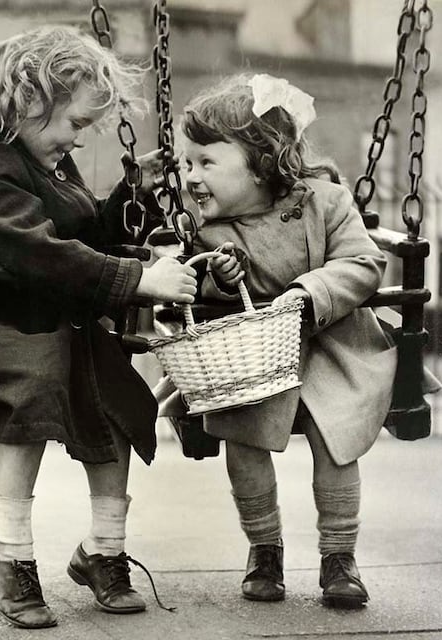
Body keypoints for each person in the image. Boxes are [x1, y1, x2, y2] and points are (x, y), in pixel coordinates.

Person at [0, 25, 196, 629]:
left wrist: (131, 193)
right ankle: (10, 553)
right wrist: (138, 281)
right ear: (30, 100)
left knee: (118, 394)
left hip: (47, 315)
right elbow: (40, 252)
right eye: (74, 123)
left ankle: (103, 549)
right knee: (34, 383)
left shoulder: (50, 163)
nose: (79, 139)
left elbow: (81, 235)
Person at [162, 72, 400, 608]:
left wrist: (309, 291)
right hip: (251, 359)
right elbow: (187, 280)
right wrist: (220, 277)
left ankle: (339, 556)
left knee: (334, 437)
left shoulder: (328, 201)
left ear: (261, 161)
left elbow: (363, 263)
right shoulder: (205, 225)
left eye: (206, 162)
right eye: (187, 162)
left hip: (333, 346)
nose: (191, 176)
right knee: (243, 441)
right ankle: (263, 549)